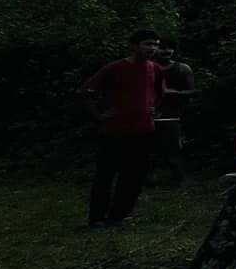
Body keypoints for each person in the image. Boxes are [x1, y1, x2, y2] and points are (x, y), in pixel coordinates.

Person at [79, 30, 164, 228]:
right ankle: (97, 218)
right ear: (134, 45)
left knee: (134, 175)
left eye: (155, 44)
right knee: (106, 174)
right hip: (115, 130)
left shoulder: (155, 69)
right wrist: (99, 115)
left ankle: (118, 215)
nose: (152, 48)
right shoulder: (115, 68)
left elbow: (160, 93)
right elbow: (86, 92)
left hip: (143, 130)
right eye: (148, 44)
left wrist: (153, 109)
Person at [153, 45, 197, 187]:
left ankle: (180, 177)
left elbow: (193, 91)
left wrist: (174, 93)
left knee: (174, 148)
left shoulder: (182, 68)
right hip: (148, 113)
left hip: (173, 114)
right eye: (162, 47)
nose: (166, 51)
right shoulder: (147, 67)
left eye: (170, 48)